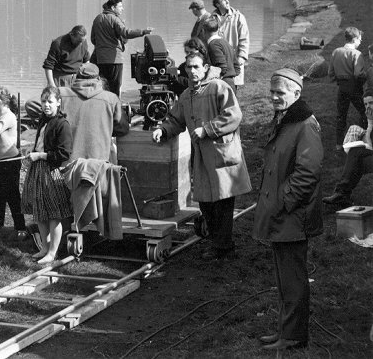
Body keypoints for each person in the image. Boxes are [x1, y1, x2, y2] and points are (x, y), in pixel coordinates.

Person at [152, 52, 251, 260]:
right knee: (206, 201)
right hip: (202, 157)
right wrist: (163, 130)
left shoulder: (218, 87)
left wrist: (207, 130)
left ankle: (223, 247)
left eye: (196, 67)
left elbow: (234, 115)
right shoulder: (187, 95)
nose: (192, 71)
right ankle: (216, 240)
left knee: (223, 201)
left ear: (206, 67)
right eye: (189, 67)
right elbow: (176, 119)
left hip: (221, 155)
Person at [252, 68, 323, 351]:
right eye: (272, 92)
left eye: (280, 93)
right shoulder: (286, 118)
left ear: (296, 93)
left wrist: (284, 202)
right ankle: (286, 329)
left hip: (293, 216)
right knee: (284, 277)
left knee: (293, 279)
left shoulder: (305, 124)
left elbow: (309, 171)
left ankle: (293, 335)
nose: (274, 97)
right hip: (283, 214)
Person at [21, 86, 73, 264]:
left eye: (50, 101)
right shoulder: (43, 120)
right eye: (43, 101)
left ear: (59, 102)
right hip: (37, 170)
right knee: (40, 211)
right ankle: (44, 247)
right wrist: (32, 149)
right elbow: (42, 142)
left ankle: (53, 251)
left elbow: (64, 154)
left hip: (52, 172)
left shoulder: (62, 124)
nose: (46, 105)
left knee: (54, 213)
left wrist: (41, 155)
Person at [59, 62, 129, 162]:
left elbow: (31, 105)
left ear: (75, 77)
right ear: (99, 79)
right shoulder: (111, 99)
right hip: (98, 166)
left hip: (67, 165)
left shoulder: (61, 94)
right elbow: (122, 129)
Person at [24, 25, 91, 122]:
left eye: (82, 41)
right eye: (78, 41)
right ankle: (49, 120)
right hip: (60, 79)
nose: (80, 44)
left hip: (77, 78)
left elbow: (86, 61)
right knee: (51, 103)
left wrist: (87, 78)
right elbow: (48, 66)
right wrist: (52, 85)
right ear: (72, 35)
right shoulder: (58, 43)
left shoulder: (83, 42)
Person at [0, 86, 27, 237]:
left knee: (12, 195)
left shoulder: (8, 116)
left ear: (0, 102)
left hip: (10, 161)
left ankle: (20, 227)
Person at [90, 0, 153, 97]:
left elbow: (93, 39)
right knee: (115, 86)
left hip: (100, 59)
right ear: (113, 7)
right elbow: (126, 33)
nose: (122, 9)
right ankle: (115, 109)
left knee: (102, 85)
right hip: (114, 59)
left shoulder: (97, 18)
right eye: (120, 6)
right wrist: (143, 32)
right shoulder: (115, 19)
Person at [323, 94, 373, 208]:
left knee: (356, 153)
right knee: (357, 159)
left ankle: (342, 193)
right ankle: (343, 195)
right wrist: (369, 123)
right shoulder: (366, 118)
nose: (368, 107)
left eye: (371, 103)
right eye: (365, 104)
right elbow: (368, 145)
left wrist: (370, 125)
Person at [327, 27, 366, 145]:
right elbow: (358, 74)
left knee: (341, 115)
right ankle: (363, 138)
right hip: (354, 88)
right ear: (354, 39)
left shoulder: (336, 52)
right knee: (364, 112)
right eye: (360, 39)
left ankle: (339, 144)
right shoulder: (357, 54)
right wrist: (365, 77)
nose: (361, 41)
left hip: (342, 88)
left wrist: (339, 79)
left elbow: (330, 73)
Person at [211, 0, 249, 90]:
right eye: (224, 0)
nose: (227, 2)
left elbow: (244, 38)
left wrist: (242, 57)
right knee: (217, 87)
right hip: (217, 58)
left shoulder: (238, 17)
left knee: (232, 87)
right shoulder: (212, 18)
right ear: (217, 4)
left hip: (233, 58)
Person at [203, 16, 238, 91]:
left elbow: (222, 67)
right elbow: (237, 67)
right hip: (231, 82)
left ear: (204, 31)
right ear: (217, 29)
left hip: (222, 84)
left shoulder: (213, 45)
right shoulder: (226, 43)